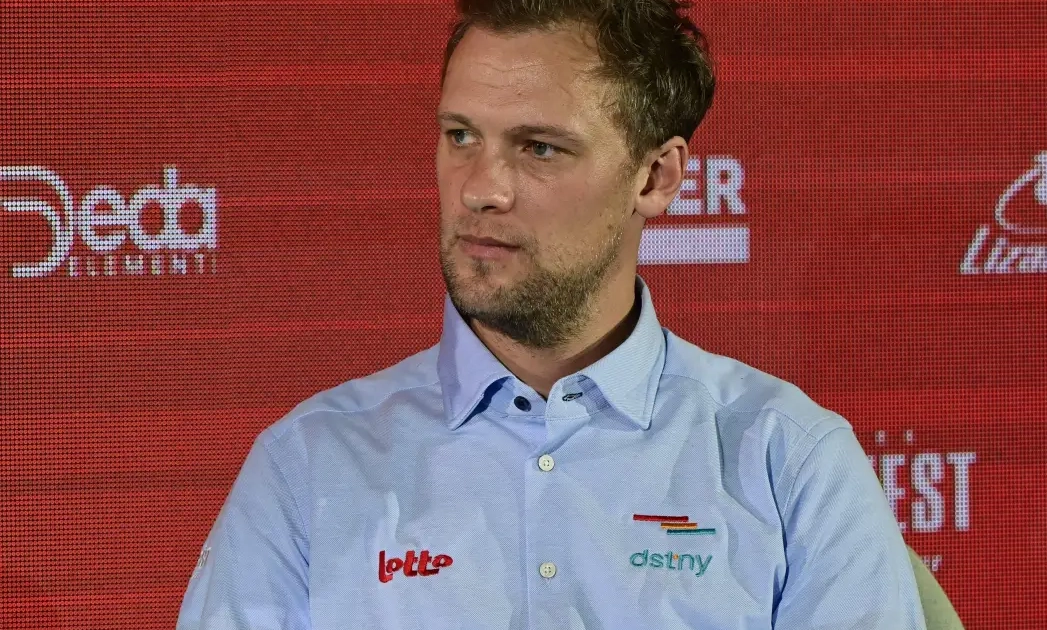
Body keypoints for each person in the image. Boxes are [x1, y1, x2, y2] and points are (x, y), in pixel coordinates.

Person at [176, 0, 926, 627]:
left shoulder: (789, 462)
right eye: (460, 137)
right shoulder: (310, 466)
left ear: (655, 178)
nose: (481, 189)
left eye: (539, 148)